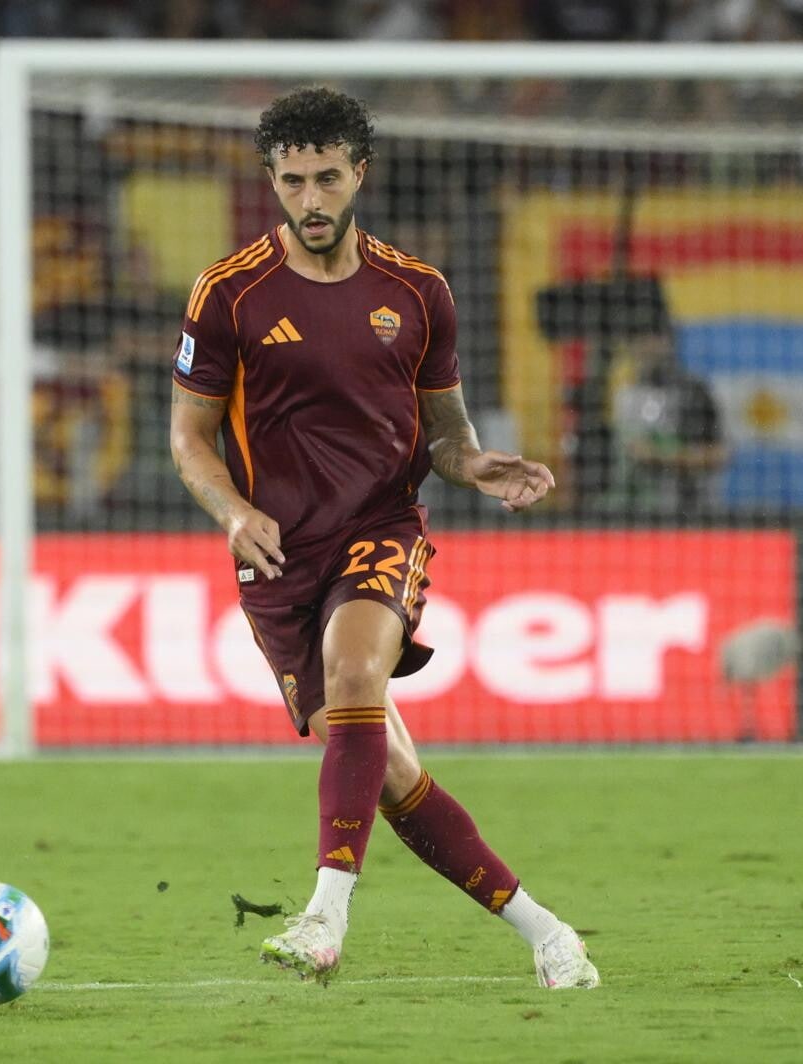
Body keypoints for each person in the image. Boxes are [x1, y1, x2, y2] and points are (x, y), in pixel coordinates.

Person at [168, 87, 598, 989]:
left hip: (380, 528)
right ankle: (549, 934)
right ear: (271, 181)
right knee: (390, 773)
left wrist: (475, 465)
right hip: (277, 556)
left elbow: (446, 436)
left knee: (358, 672)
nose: (312, 199)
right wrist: (234, 513)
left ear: (361, 173)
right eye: (293, 182)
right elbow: (189, 438)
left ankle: (324, 919)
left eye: (328, 178)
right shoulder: (228, 292)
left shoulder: (418, 292)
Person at [606, 323, 727, 514]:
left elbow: (719, 454)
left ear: (668, 342)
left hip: (688, 513)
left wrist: (659, 456)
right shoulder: (626, 394)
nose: (645, 346)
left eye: (652, 338)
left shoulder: (693, 392)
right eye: (638, 339)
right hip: (635, 516)